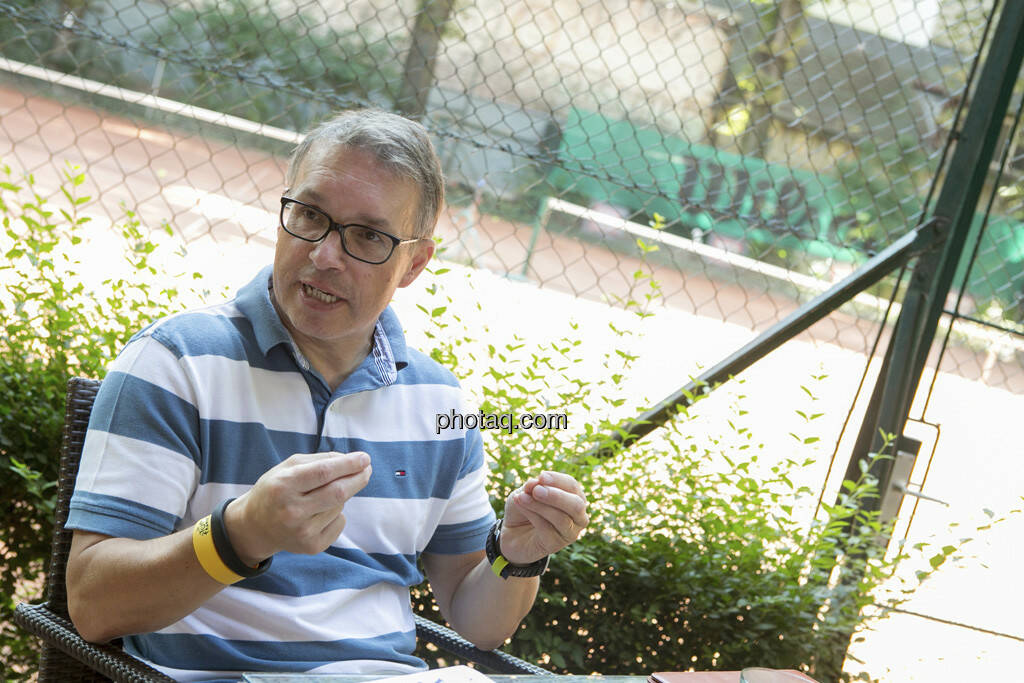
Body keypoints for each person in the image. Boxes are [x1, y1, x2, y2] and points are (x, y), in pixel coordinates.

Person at [65, 109, 589, 682]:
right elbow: (94, 606)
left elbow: (477, 621)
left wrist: (517, 556)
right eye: (310, 215)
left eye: (367, 235)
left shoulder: (440, 404)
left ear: (414, 264)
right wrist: (241, 534)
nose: (323, 254)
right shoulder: (176, 363)